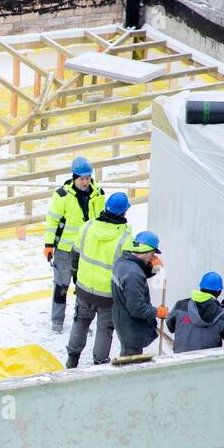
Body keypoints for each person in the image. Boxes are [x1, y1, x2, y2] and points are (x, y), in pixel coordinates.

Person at [66, 191, 132, 367]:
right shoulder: (125, 238)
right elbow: (127, 270)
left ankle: (72, 358)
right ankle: (100, 362)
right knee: (105, 329)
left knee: (80, 321)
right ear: (124, 212)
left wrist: (75, 276)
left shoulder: (87, 227)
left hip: (84, 288)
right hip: (108, 295)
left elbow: (75, 255)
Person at [44, 157, 106, 332]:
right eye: (82, 179)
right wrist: (49, 245)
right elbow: (52, 221)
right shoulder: (62, 196)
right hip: (65, 249)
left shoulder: (98, 194)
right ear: (74, 177)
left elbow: (102, 220)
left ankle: (82, 321)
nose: (85, 182)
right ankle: (57, 321)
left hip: (87, 249)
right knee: (62, 285)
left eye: (88, 178)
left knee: (84, 287)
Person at [111, 231, 168, 357]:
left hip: (122, 319)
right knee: (131, 360)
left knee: (128, 354)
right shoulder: (133, 274)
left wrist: (153, 269)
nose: (152, 258)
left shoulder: (123, 261)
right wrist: (156, 312)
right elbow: (136, 308)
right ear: (146, 250)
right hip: (131, 327)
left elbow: (138, 273)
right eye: (152, 254)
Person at [166, 271, 224, 352]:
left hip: (180, 361)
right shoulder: (221, 315)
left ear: (201, 287)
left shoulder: (180, 306)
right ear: (219, 291)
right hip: (205, 363)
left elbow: (170, 326)